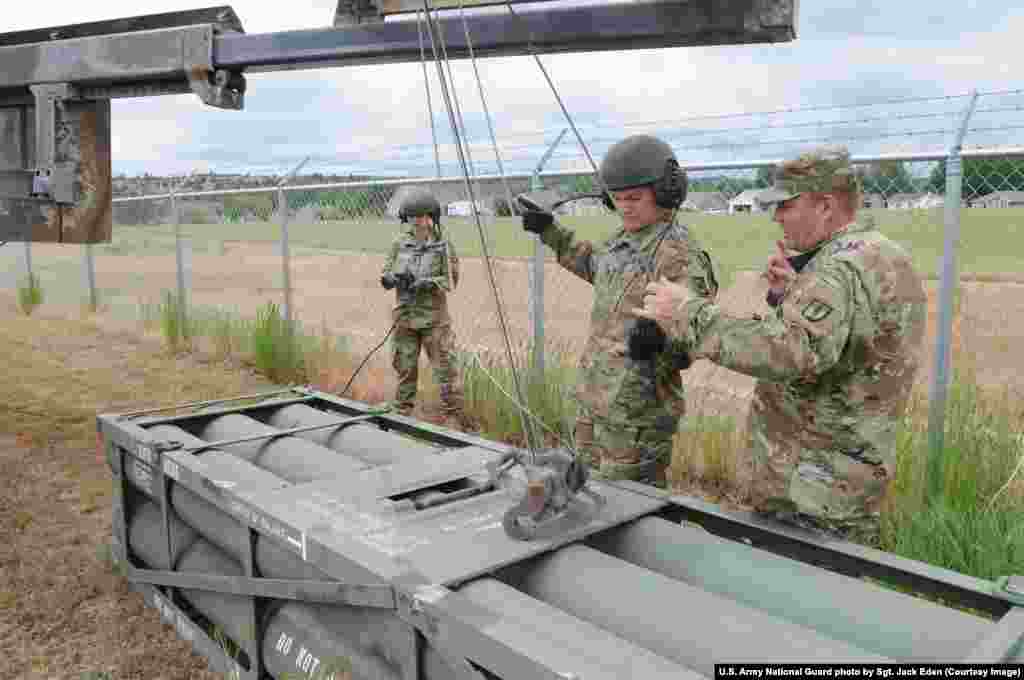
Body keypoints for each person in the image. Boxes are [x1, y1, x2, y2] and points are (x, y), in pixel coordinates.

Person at [631, 145, 927, 544]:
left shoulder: (836, 269)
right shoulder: (879, 253)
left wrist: (687, 313)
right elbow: (848, 339)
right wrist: (790, 295)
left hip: (809, 488)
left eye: (786, 205)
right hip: (845, 474)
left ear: (824, 205)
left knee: (799, 588)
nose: (777, 216)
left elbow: (788, 351)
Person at [518, 134, 718, 486]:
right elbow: (595, 265)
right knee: (586, 491)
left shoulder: (678, 254)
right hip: (595, 400)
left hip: (637, 413)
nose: (625, 207)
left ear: (665, 193)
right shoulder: (622, 240)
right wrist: (551, 232)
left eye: (635, 198)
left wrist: (661, 339)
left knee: (630, 503)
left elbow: (696, 327)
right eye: (618, 199)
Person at [380, 188, 464, 422]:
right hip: (405, 318)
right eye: (412, 216)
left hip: (434, 321)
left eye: (422, 215)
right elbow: (386, 273)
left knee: (445, 368)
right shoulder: (399, 244)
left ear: (431, 217)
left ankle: (454, 415)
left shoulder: (443, 245)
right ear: (406, 218)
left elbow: (450, 280)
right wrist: (392, 279)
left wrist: (425, 283)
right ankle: (402, 413)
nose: (418, 221)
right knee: (405, 368)